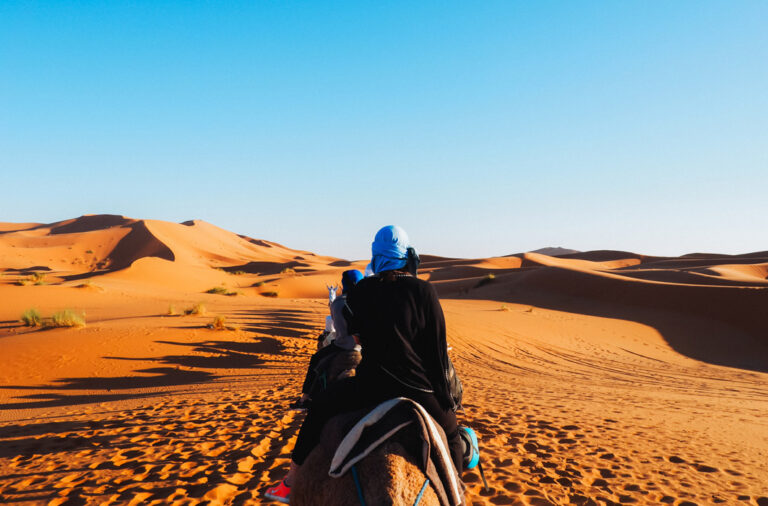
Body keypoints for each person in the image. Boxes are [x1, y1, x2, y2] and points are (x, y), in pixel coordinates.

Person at [265, 226, 466, 503]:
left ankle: (290, 483)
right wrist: (445, 395)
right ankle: (456, 494)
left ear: (376, 255)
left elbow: (356, 336)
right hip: (418, 389)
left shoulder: (363, 290)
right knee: (453, 436)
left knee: (318, 410)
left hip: (370, 386)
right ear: (407, 254)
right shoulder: (424, 291)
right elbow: (436, 350)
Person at [290, 269, 364, 410]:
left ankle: (305, 399)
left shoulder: (337, 303)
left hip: (342, 345)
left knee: (316, 360)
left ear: (344, 284)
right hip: (366, 347)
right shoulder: (368, 301)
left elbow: (336, 326)